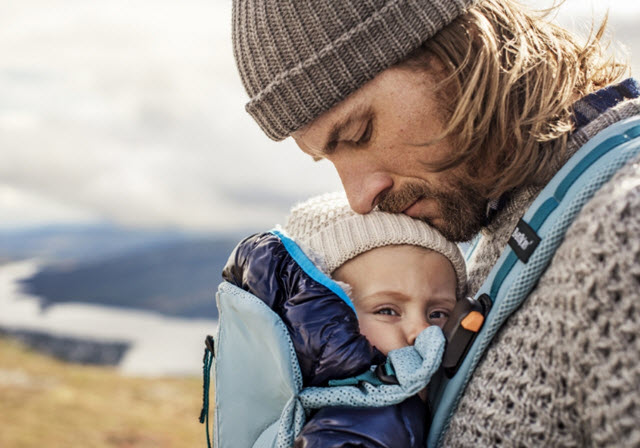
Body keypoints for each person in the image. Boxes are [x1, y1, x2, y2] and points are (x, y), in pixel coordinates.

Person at [231, 0, 640, 445]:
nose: (359, 198)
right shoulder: (504, 217)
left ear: (460, 49)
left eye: (358, 134)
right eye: (328, 160)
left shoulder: (624, 227)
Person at [222, 192, 467, 447]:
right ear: (321, 319)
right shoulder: (359, 429)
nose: (421, 330)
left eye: (438, 314)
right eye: (387, 311)